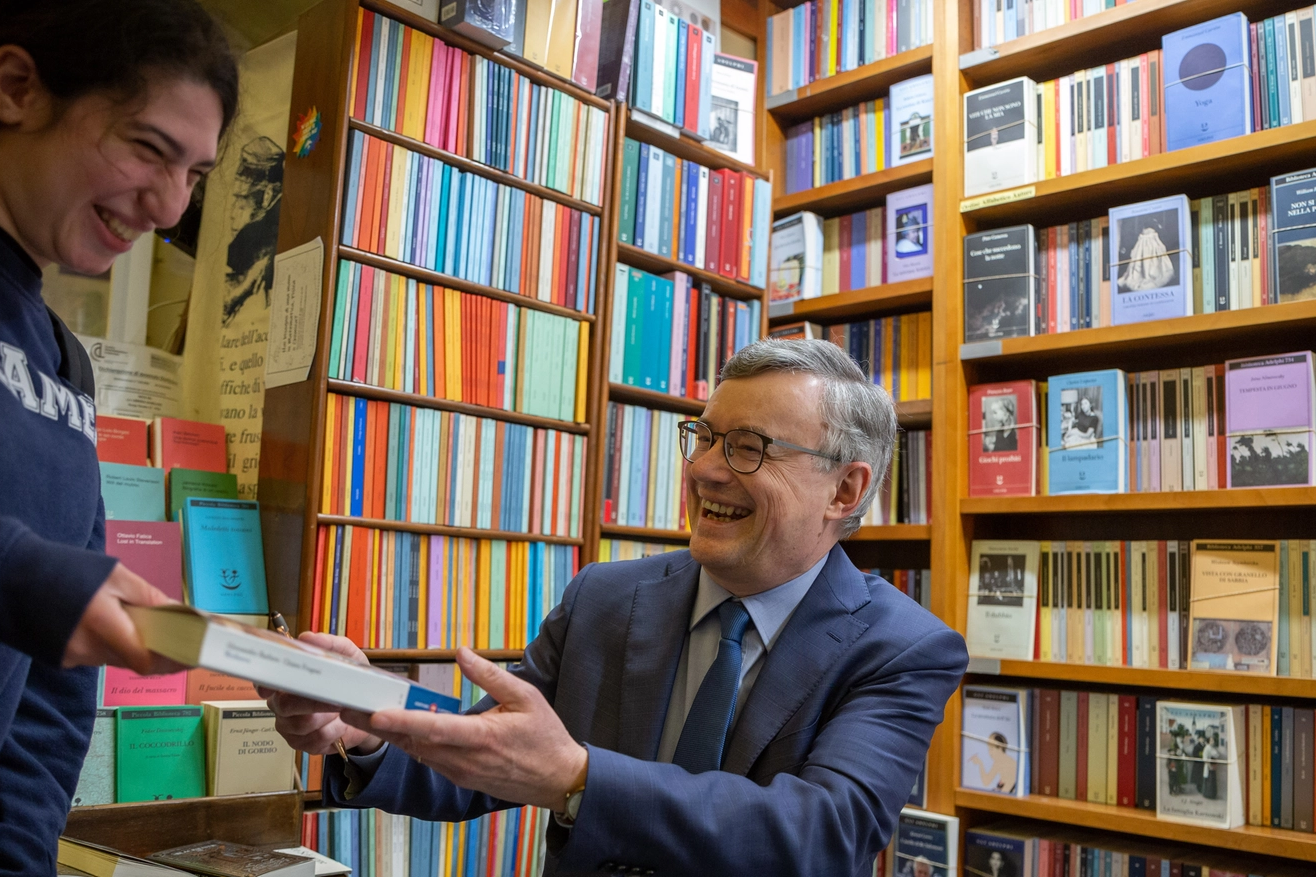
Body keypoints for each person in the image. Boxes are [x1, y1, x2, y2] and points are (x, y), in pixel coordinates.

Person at [267, 340, 969, 876]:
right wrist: (365, 723)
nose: (704, 469)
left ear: (845, 492)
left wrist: (577, 778)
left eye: (750, 448)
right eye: (704, 436)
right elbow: (489, 753)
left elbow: (822, 833)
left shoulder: (902, 646)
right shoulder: (604, 596)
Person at [0, 2, 237, 873]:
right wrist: (6, 572)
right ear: (15, 88)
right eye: (148, 147)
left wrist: (5, 857)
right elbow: (24, 583)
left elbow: (48, 688)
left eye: (196, 172)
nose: (172, 203)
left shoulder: (62, 360)